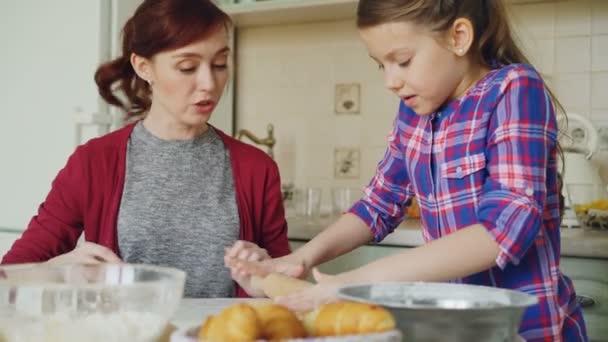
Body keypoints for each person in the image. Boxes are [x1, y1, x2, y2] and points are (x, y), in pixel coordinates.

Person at [225, 0, 588, 340]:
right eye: (381, 64)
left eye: (402, 60)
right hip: (450, 327)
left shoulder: (514, 89)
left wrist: (353, 285)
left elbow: (501, 230)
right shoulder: (414, 114)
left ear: (458, 37)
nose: (390, 81)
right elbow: (377, 206)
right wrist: (298, 259)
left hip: (524, 330)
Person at [1, 0, 291, 299]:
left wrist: (266, 274)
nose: (209, 83)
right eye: (187, 67)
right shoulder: (94, 162)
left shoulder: (257, 168)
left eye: (219, 64)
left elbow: (287, 285)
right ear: (143, 67)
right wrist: (59, 271)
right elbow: (9, 273)